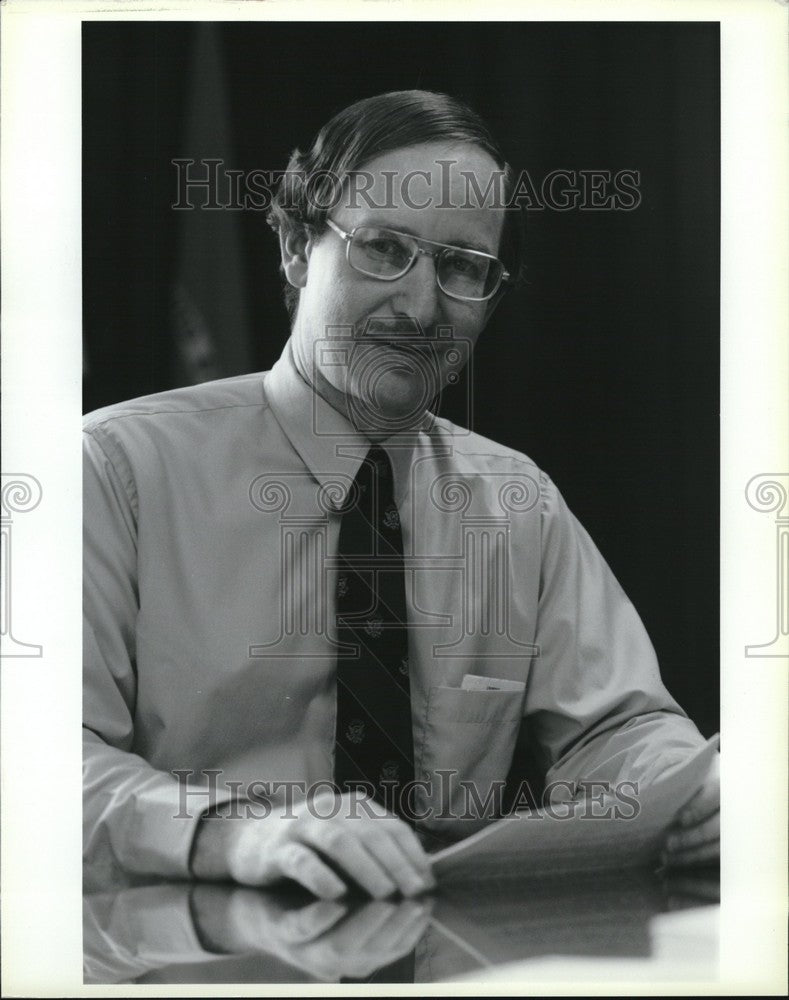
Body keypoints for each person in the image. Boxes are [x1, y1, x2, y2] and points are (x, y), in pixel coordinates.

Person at [83, 90, 719, 901]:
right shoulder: (113, 470)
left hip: (448, 950)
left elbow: (617, 729)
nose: (419, 307)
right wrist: (233, 831)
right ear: (291, 247)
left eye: (461, 268)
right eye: (382, 248)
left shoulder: (515, 500)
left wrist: (690, 791)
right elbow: (37, 762)